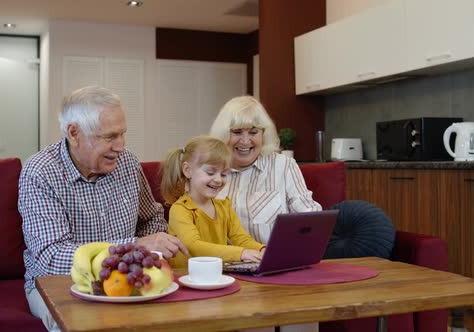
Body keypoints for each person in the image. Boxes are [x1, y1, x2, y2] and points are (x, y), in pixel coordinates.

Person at [18, 86, 188, 331]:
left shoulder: (127, 163)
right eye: (109, 137)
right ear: (74, 133)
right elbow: (51, 257)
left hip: (126, 278)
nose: (120, 146)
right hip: (62, 284)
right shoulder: (40, 172)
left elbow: (152, 218)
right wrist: (134, 247)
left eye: (122, 134)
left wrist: (150, 252)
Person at [210, 96, 321, 332]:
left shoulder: (284, 166)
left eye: (253, 131)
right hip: (232, 276)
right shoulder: (211, 172)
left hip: (286, 274)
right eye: (237, 132)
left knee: (302, 319)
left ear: (264, 134)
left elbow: (310, 219)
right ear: (223, 135)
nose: (245, 141)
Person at [161, 135, 265, 268]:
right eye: (210, 173)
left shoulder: (224, 207)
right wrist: (241, 253)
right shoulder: (180, 209)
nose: (218, 180)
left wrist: (262, 250)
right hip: (186, 277)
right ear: (188, 171)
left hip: (216, 275)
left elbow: (241, 238)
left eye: (223, 174)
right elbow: (194, 246)